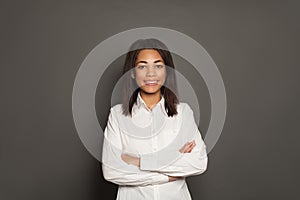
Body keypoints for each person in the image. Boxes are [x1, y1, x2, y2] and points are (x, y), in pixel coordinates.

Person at [102, 38, 208, 200]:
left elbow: (198, 163)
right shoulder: (117, 116)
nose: (151, 73)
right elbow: (111, 171)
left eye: (158, 66)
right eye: (142, 66)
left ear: (167, 71)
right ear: (132, 72)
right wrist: (169, 168)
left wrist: (139, 162)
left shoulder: (183, 113)